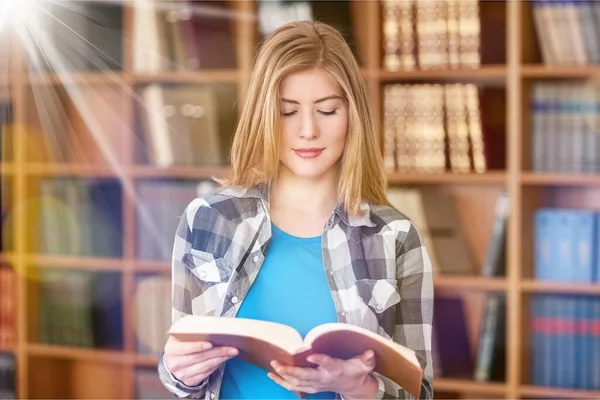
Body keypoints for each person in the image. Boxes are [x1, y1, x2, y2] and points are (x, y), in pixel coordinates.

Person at [157, 20, 434, 400]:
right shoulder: (209, 219)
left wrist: (360, 387)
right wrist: (177, 373)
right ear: (264, 117)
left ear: (352, 115)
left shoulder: (395, 237)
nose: (307, 130)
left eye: (327, 110)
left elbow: (419, 391)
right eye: (288, 112)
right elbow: (180, 377)